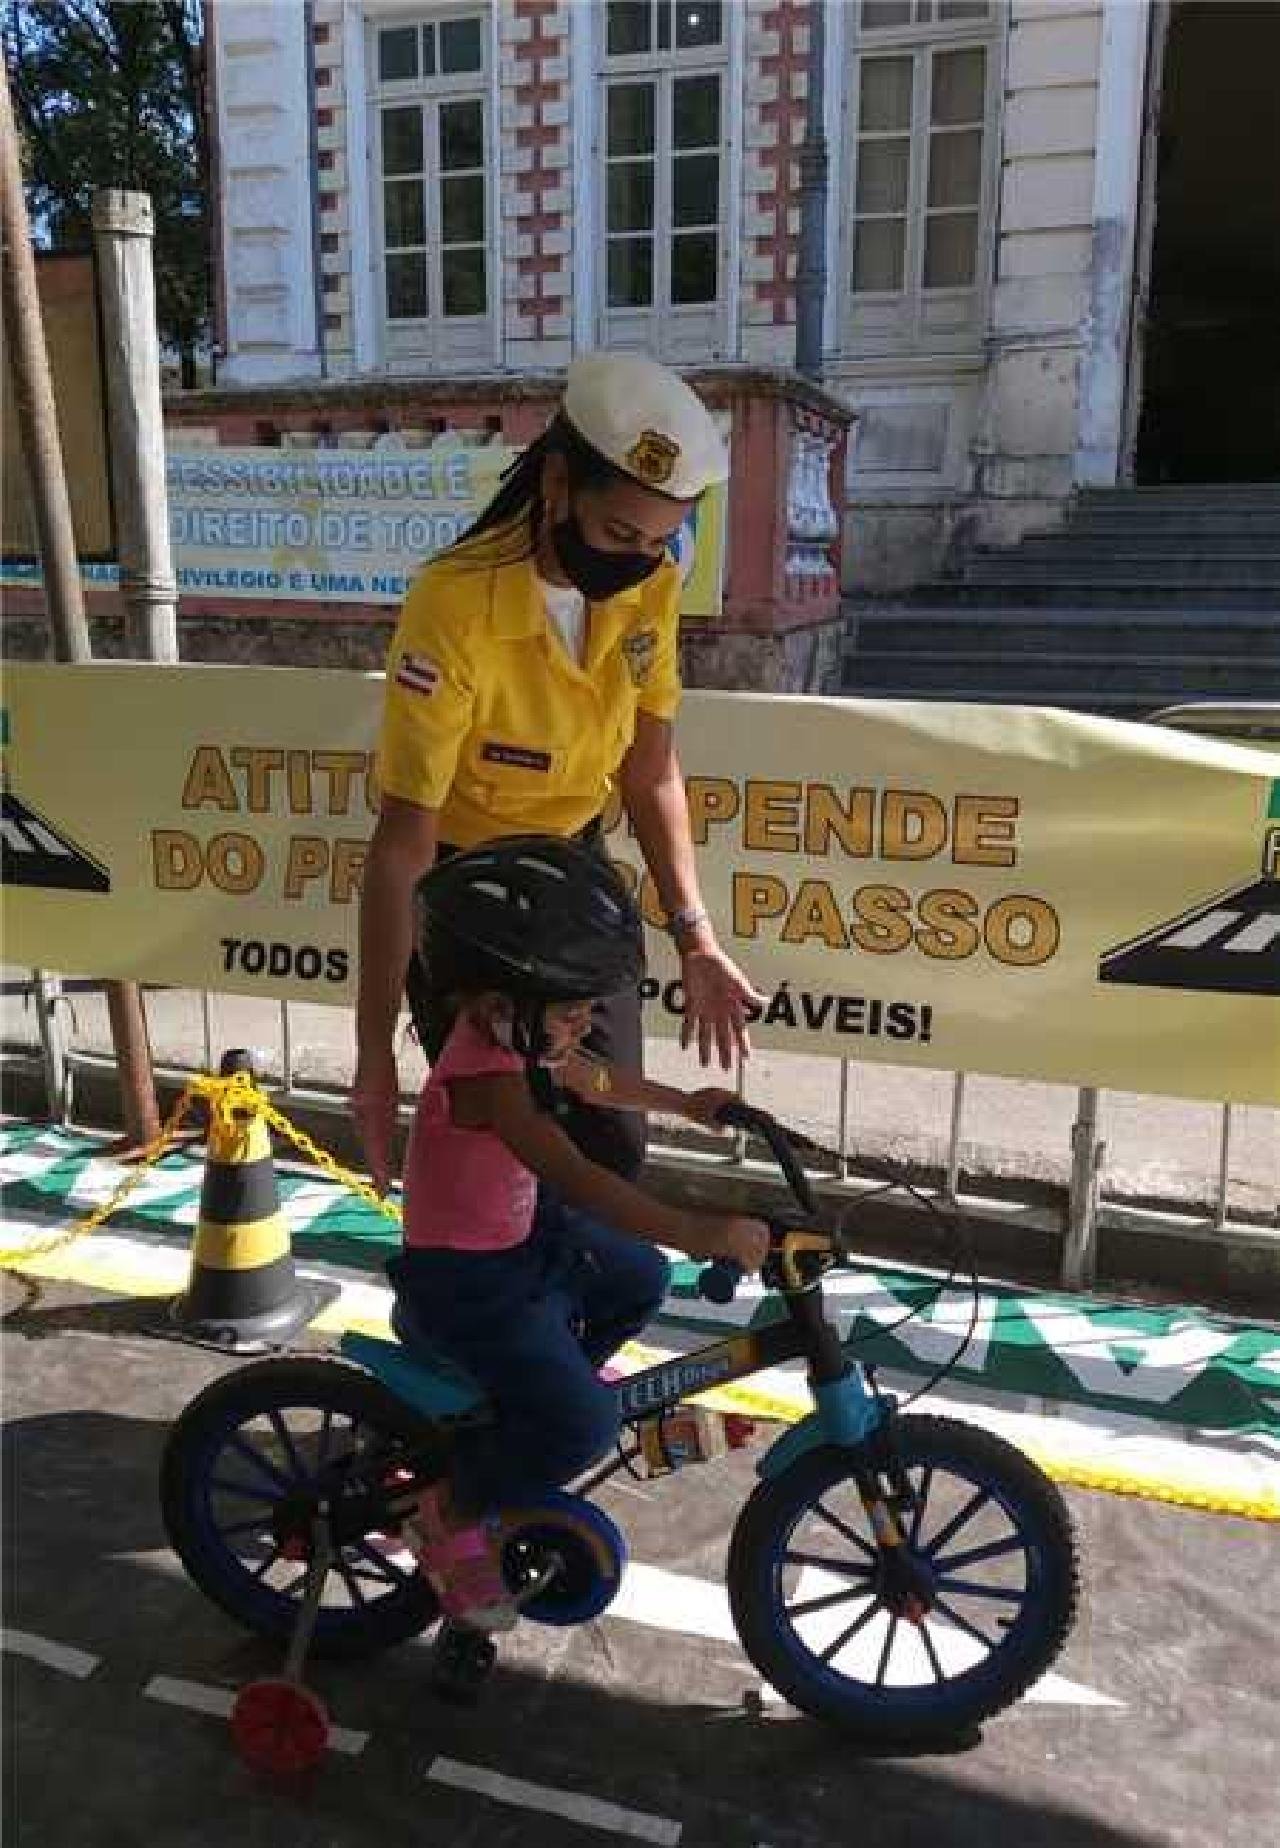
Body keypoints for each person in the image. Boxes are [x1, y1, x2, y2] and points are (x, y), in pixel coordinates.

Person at [355, 350, 763, 1192]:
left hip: (575, 880)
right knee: (501, 1158)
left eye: (659, 540)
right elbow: (402, 845)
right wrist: (371, 1061)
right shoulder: (456, 604)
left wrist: (696, 937)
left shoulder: (650, 585)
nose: (638, 559)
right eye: (619, 533)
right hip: (468, 896)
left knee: (613, 1151)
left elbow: (649, 770)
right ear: (556, 486)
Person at [388, 836, 770, 1632]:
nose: (587, 1024)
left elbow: (592, 1076)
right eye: (573, 1013)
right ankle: (451, 1509)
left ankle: (539, 1401)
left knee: (638, 1278)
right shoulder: (489, 1083)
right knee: (587, 1427)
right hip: (469, 1284)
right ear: (499, 1006)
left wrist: (684, 1100)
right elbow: (583, 1179)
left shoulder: (519, 1040)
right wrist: (702, 1232)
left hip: (517, 1237)